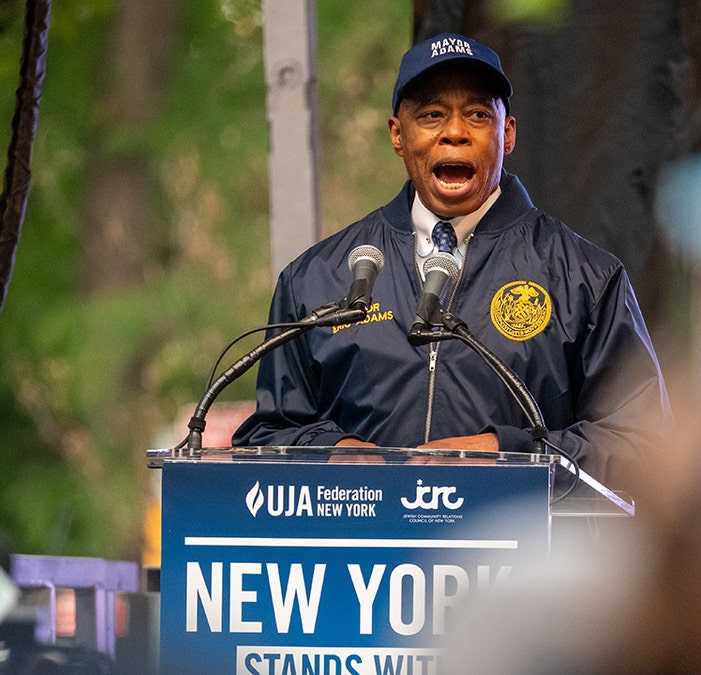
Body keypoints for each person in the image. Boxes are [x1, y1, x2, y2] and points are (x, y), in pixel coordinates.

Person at [232, 32, 672, 487]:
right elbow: (268, 434)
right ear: (397, 135)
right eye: (431, 115)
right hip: (365, 553)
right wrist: (330, 454)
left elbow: (644, 447)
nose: (456, 131)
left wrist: (510, 453)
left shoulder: (585, 279)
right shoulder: (317, 280)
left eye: (478, 115)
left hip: (522, 553)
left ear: (508, 133)